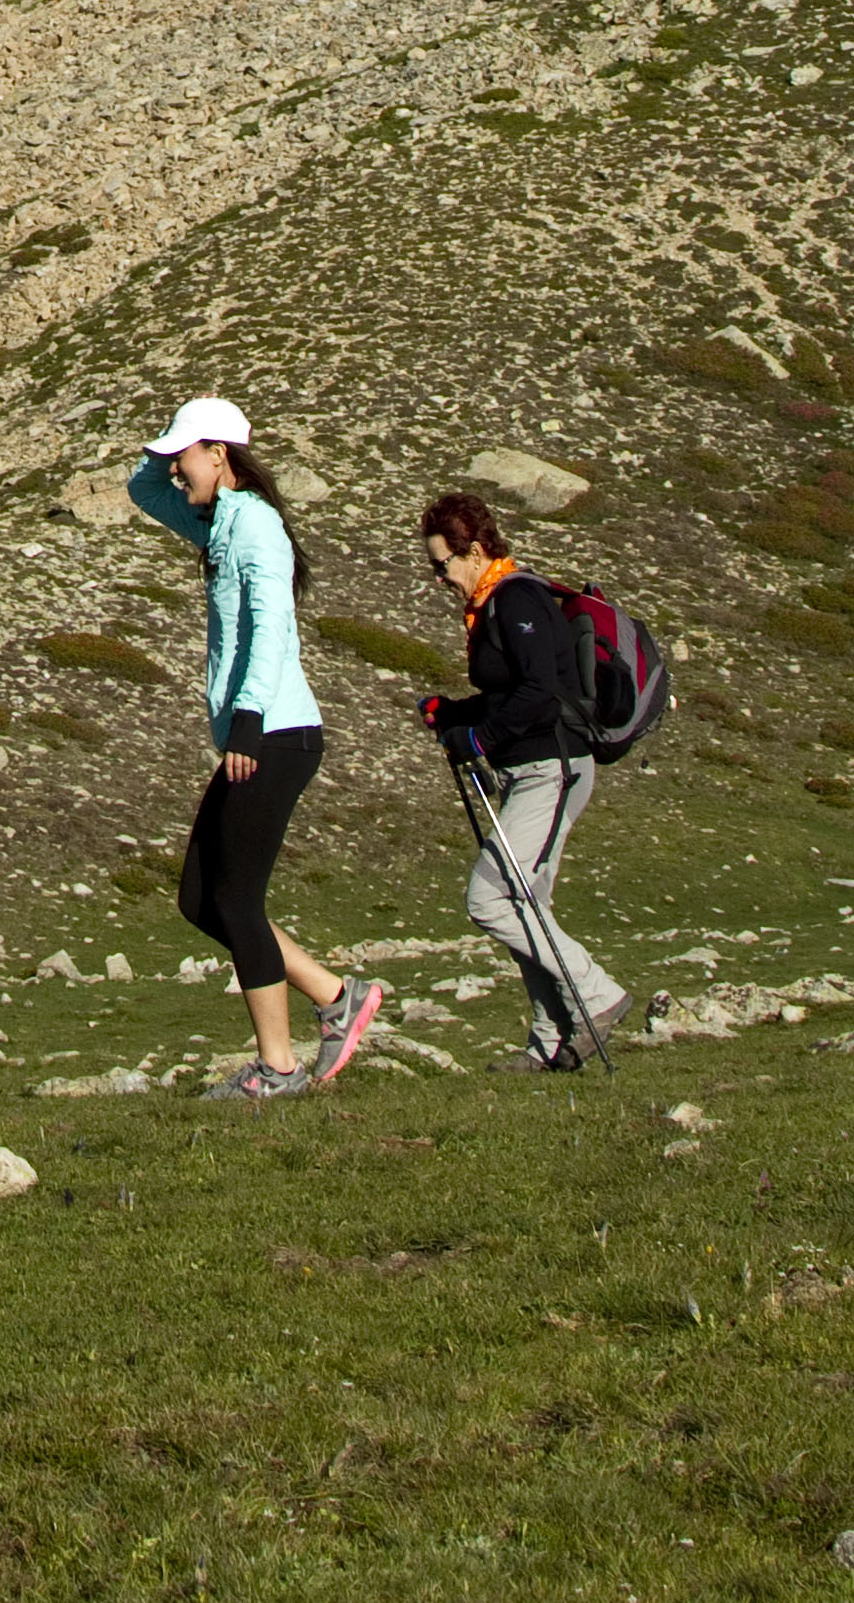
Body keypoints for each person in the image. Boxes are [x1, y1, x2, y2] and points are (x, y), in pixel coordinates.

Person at [128, 398, 384, 1101]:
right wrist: (167, 454)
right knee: (199, 899)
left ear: (221, 454)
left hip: (272, 733)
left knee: (236, 897)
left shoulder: (256, 529)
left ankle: (278, 1067)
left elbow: (273, 627)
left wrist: (245, 719)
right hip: (259, 732)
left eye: (186, 454)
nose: (176, 469)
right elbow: (142, 490)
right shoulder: (219, 523)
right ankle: (337, 997)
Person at [417, 492, 628, 1071]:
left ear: (477, 550)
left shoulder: (517, 598)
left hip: (552, 768)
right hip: (530, 769)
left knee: (491, 898)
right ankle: (551, 1043)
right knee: (524, 902)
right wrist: (458, 714)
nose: (439, 578)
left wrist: (478, 739)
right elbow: (511, 693)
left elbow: (540, 692)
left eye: (443, 564)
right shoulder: (493, 604)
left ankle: (598, 994)